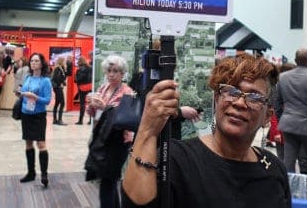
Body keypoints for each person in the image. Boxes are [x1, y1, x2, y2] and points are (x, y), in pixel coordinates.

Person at [122, 53, 291, 208]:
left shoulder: (274, 169)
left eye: (254, 97)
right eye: (231, 91)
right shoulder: (178, 159)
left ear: (267, 116)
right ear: (217, 99)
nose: (239, 103)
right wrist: (147, 130)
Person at [86, 55, 134, 208]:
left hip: (118, 140)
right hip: (102, 137)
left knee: (107, 181)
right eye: (109, 71)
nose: (111, 74)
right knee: (110, 181)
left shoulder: (127, 92)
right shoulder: (103, 88)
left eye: (116, 71)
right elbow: (92, 114)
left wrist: (104, 107)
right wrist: (91, 104)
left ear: (122, 73)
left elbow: (123, 119)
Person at [18, 52, 52, 188]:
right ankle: (31, 172)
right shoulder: (28, 77)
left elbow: (47, 100)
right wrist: (20, 94)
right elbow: (22, 92)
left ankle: (44, 174)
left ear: (41, 63)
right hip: (26, 114)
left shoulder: (45, 81)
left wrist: (34, 96)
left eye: (36, 61)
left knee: (41, 144)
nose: (33, 63)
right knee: (28, 143)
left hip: (38, 116)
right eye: (32, 61)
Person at [74, 56, 92, 125]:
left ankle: (80, 120)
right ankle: (91, 120)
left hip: (81, 88)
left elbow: (76, 80)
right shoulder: (90, 68)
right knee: (90, 103)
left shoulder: (79, 69)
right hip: (90, 87)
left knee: (82, 104)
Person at [51, 57, 67, 125]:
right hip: (58, 88)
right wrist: (60, 83)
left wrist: (63, 82)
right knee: (62, 103)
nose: (65, 62)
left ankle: (55, 120)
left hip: (58, 87)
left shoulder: (60, 68)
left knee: (57, 103)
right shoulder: (58, 68)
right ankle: (59, 120)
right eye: (64, 61)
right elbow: (56, 78)